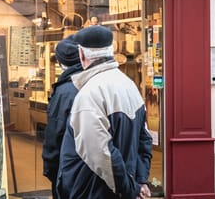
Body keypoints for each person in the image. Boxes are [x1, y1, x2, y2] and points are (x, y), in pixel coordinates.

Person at [57, 25, 152, 199]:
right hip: (120, 188)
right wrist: (140, 180)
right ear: (111, 50)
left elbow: (100, 154)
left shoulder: (89, 94)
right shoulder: (130, 86)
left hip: (92, 190)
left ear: (82, 54)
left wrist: (130, 188)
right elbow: (144, 140)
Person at [42, 35, 82, 199]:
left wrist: (50, 168)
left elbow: (55, 133)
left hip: (68, 168)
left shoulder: (65, 92)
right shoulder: (97, 83)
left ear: (60, 62)